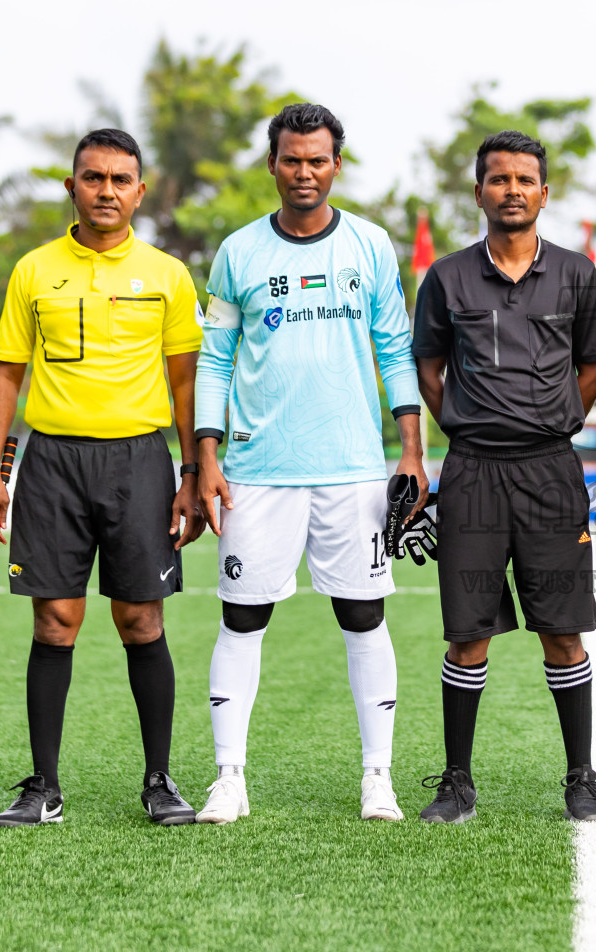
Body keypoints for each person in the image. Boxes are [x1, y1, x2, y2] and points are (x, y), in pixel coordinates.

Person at [192, 103, 425, 824]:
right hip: (257, 470)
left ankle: (376, 776)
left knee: (363, 615)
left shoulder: (370, 244)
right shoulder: (237, 253)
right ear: (272, 164)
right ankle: (229, 778)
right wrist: (206, 453)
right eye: (291, 159)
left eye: (317, 160)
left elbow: (394, 348)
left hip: (354, 467)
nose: (304, 172)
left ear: (336, 165)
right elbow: (215, 358)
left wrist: (411, 449)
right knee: (242, 619)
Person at [0, 128, 205, 827]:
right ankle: (43, 786)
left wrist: (193, 470)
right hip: (53, 464)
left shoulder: (167, 274)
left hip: (139, 460)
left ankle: (160, 781)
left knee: (141, 618)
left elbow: (188, 381)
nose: (106, 191)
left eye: (120, 179)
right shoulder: (34, 270)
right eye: (93, 177)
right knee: (56, 620)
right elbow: (7, 373)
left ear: (140, 190)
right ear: (71, 186)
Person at [411, 130, 596, 824]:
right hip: (472, 473)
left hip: (550, 471)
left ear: (544, 193)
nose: (512, 190)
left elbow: (594, 364)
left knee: (563, 630)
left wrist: (556, 417)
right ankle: (457, 782)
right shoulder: (446, 277)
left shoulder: (577, 274)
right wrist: (468, 426)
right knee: (468, 633)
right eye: (499, 180)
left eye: (525, 180)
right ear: (479, 193)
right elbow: (429, 368)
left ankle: (581, 779)